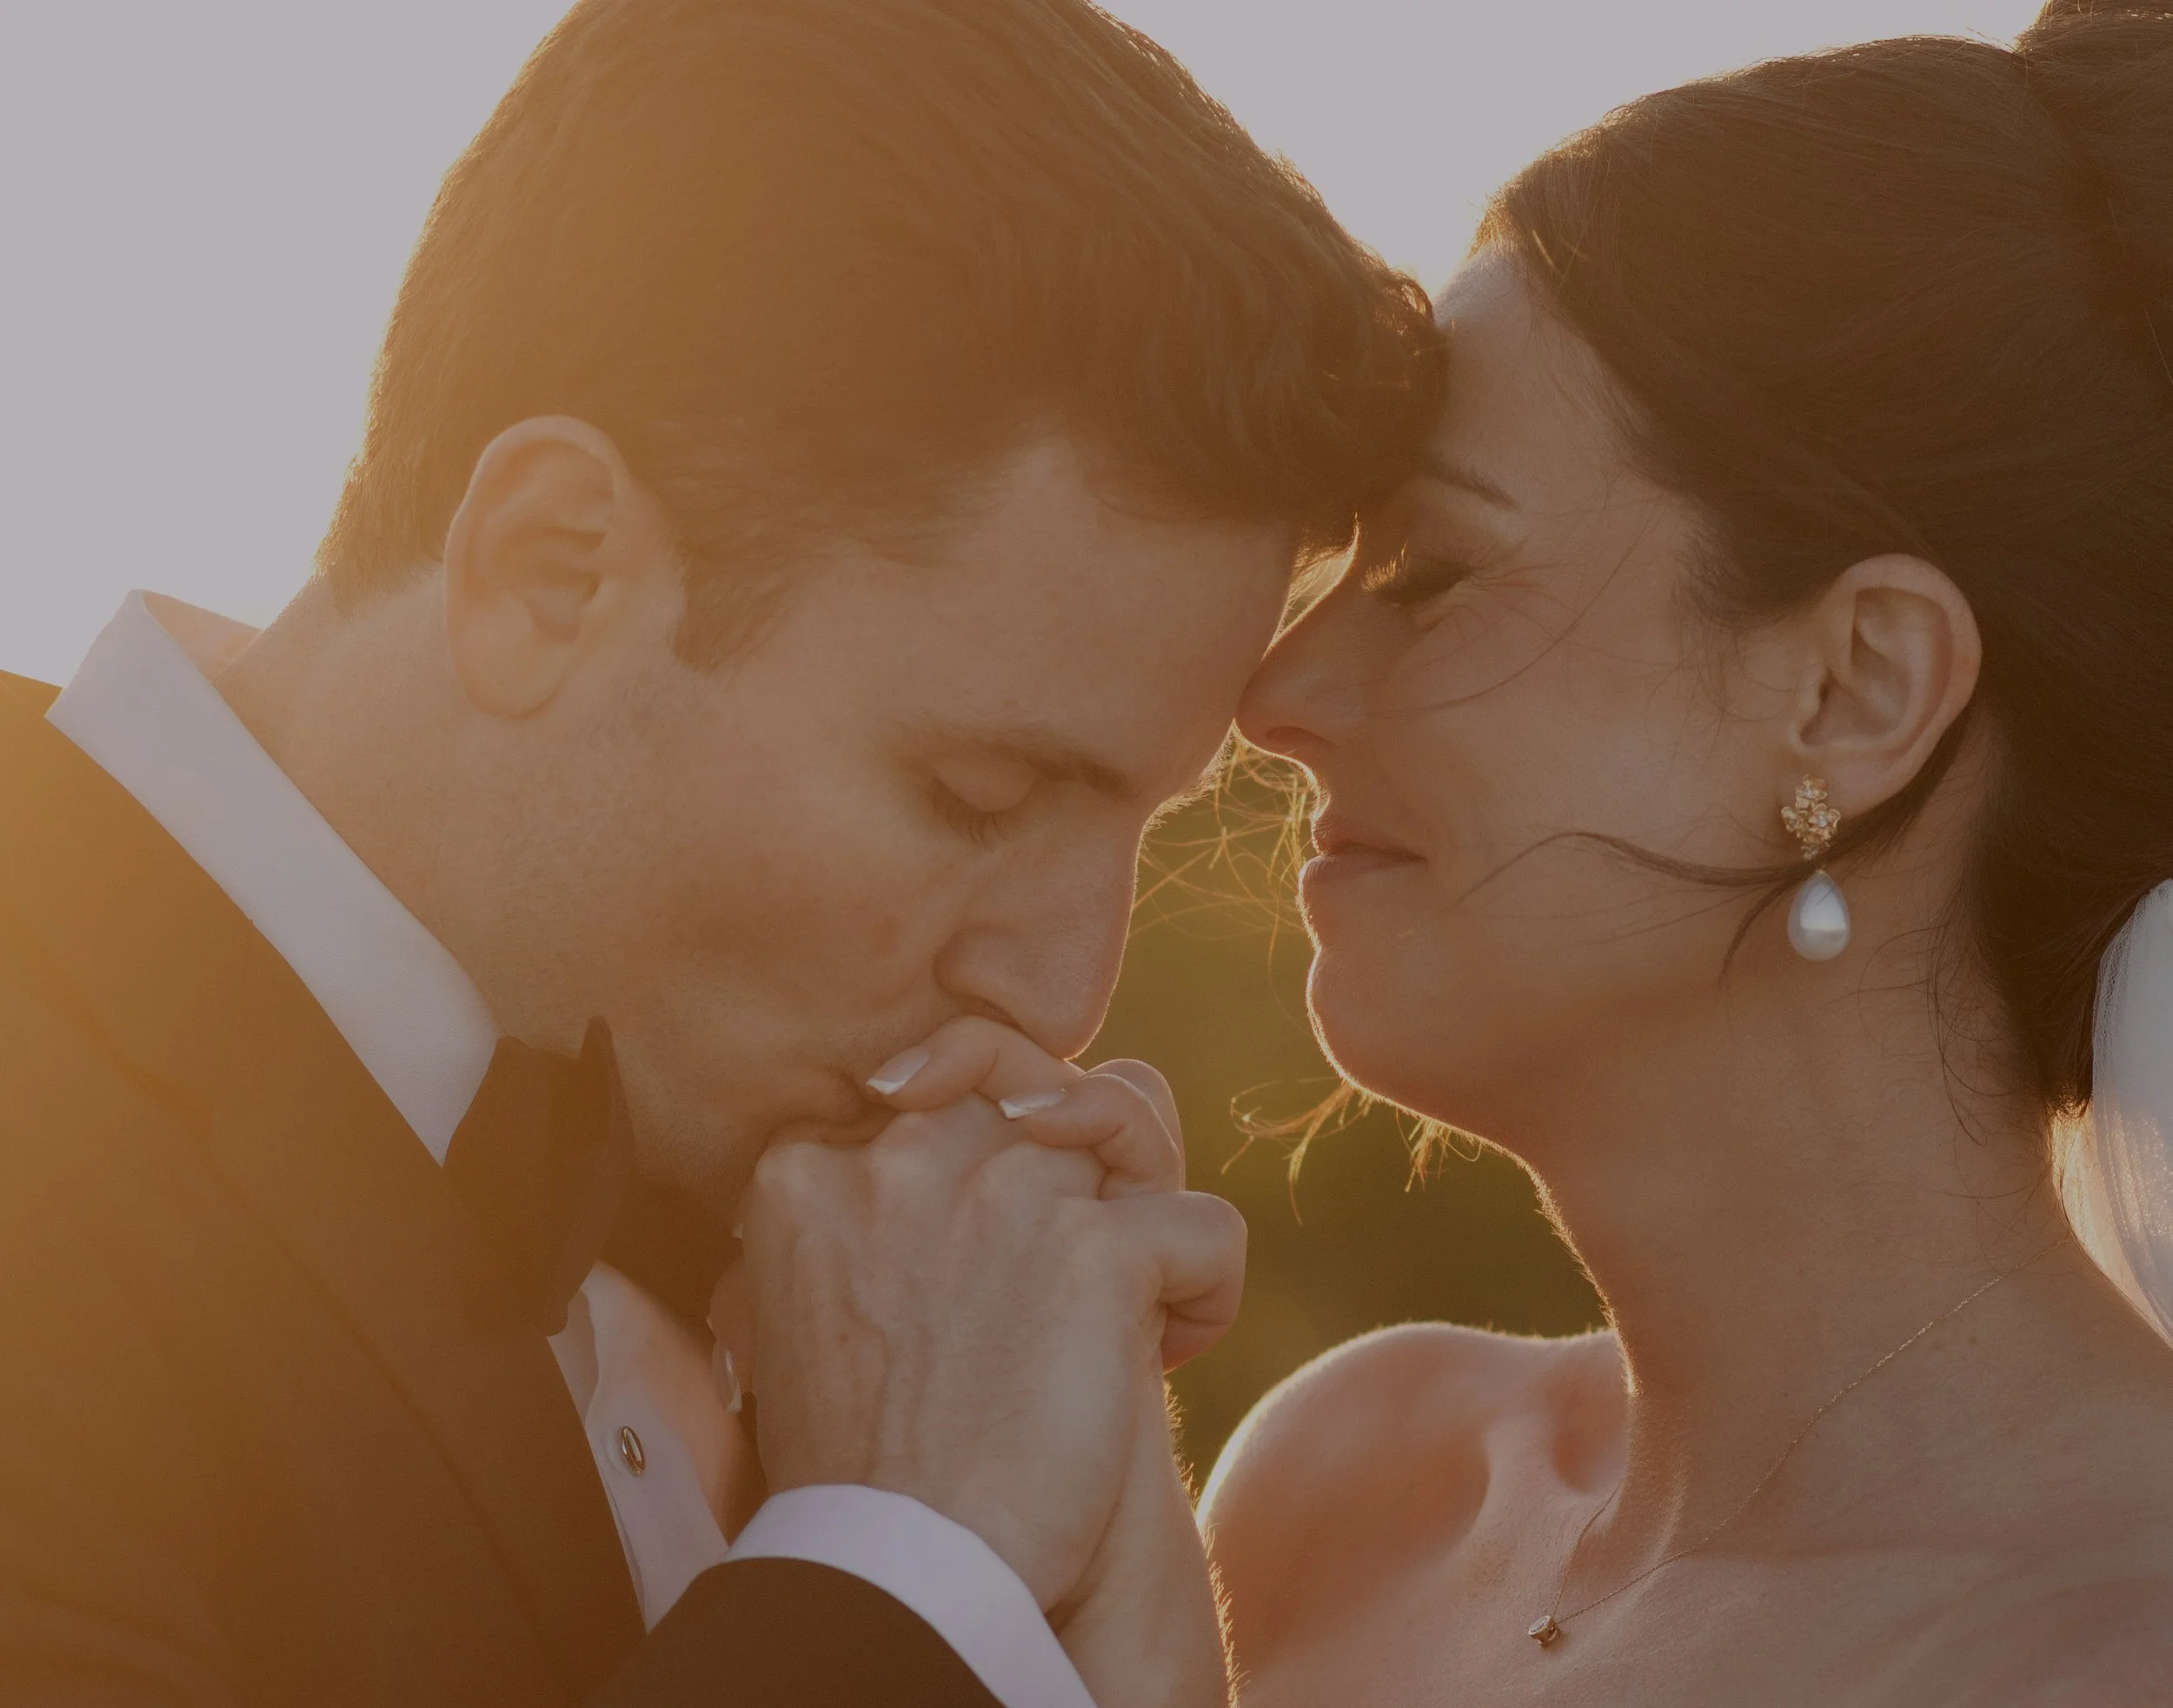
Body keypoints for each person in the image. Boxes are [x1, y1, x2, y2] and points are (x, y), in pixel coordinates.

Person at [0, 1, 1440, 1703]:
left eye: (1142, 826)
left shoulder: (744, 1220)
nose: (1065, 991)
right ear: (551, 572)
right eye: (976, 795)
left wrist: (1093, 1582)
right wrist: (914, 1555)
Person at [1201, 1, 2173, 1701]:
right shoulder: (1347, 1492)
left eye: (1435, 573)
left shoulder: (2115, 1647)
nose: (1273, 694)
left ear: (1853, 689)